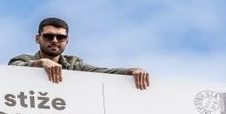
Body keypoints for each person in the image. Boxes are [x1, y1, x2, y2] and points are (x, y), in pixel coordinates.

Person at [9, 17, 150, 89]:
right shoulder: (24, 59)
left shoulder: (74, 64)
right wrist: (40, 63)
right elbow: (12, 68)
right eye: (48, 36)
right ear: (37, 38)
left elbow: (103, 72)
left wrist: (131, 71)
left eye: (60, 37)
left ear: (67, 41)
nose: (54, 40)